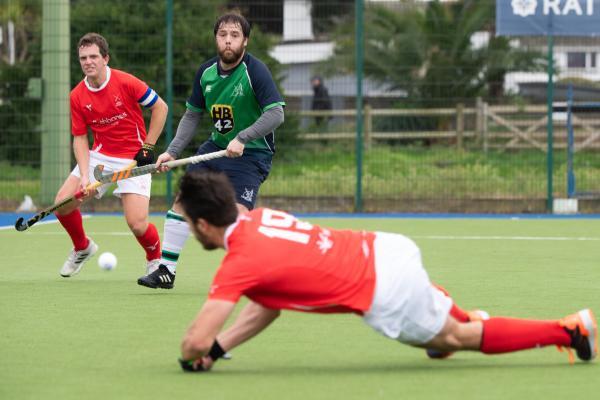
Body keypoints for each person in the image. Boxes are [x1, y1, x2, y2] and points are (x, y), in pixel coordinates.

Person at [173, 171, 597, 372]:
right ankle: (448, 320)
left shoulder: (238, 264)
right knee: (443, 327)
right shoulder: (261, 217)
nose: (192, 232)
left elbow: (191, 342)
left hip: (384, 290)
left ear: (205, 225)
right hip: (384, 248)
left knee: (457, 337)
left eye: (190, 225)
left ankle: (570, 329)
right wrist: (218, 349)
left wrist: (199, 351)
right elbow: (268, 304)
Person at [137, 12, 285, 289]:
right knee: (183, 200)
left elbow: (276, 114)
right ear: (216, 38)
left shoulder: (255, 71)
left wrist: (243, 137)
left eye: (234, 35)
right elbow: (193, 115)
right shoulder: (206, 73)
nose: (228, 41)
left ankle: (254, 274)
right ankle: (166, 270)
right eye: (223, 35)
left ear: (245, 41)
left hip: (251, 154)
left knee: (238, 215)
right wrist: (172, 151)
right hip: (216, 147)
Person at [54, 33, 168, 278]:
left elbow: (161, 107)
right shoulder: (77, 96)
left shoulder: (125, 82)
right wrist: (85, 176)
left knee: (137, 223)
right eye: (83, 58)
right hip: (101, 156)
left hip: (134, 156)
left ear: (105, 58)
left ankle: (155, 262)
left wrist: (147, 148)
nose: (88, 62)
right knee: (62, 204)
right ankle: (82, 247)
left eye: (94, 56)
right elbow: (81, 138)